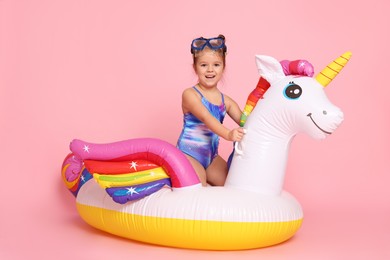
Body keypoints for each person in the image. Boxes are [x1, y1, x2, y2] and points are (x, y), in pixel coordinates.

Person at [177, 34, 244, 186]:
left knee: (232, 186)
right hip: (189, 154)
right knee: (199, 190)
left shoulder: (225, 101)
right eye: (203, 65)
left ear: (223, 67)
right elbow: (207, 118)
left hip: (211, 157)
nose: (210, 70)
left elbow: (245, 121)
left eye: (216, 64)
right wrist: (228, 134)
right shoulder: (190, 94)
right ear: (195, 67)